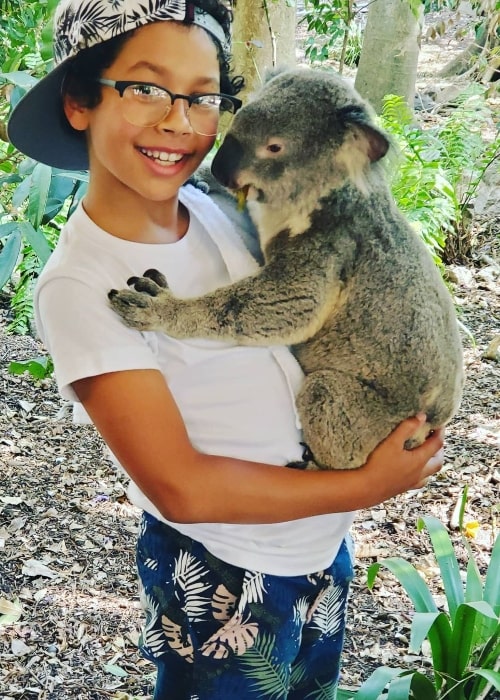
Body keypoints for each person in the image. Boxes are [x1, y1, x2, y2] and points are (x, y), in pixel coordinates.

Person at [7, 1, 445, 698]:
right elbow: (179, 486)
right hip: (229, 567)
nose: (179, 120)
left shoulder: (217, 207)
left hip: (315, 547)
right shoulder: (79, 285)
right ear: (79, 103)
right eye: (145, 88)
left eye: (203, 97)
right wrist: (368, 486)